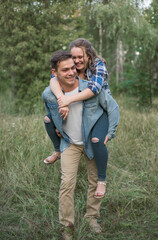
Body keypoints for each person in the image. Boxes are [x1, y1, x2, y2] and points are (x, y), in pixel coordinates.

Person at [42, 51, 119, 239]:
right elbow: (49, 115)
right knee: (67, 184)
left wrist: (109, 133)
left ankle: (92, 218)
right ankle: (67, 226)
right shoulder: (49, 94)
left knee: (95, 181)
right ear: (55, 73)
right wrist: (57, 127)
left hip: (91, 142)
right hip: (69, 143)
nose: (71, 72)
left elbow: (112, 107)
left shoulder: (90, 89)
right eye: (65, 70)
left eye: (73, 68)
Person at [44, 38, 112, 199]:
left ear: (88, 55)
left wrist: (68, 100)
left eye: (80, 57)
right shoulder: (71, 69)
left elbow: (94, 89)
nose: (76, 61)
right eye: (73, 57)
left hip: (98, 114)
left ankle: (100, 187)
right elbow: (53, 79)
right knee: (47, 119)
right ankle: (57, 148)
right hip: (74, 125)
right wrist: (63, 100)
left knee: (96, 143)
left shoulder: (97, 66)